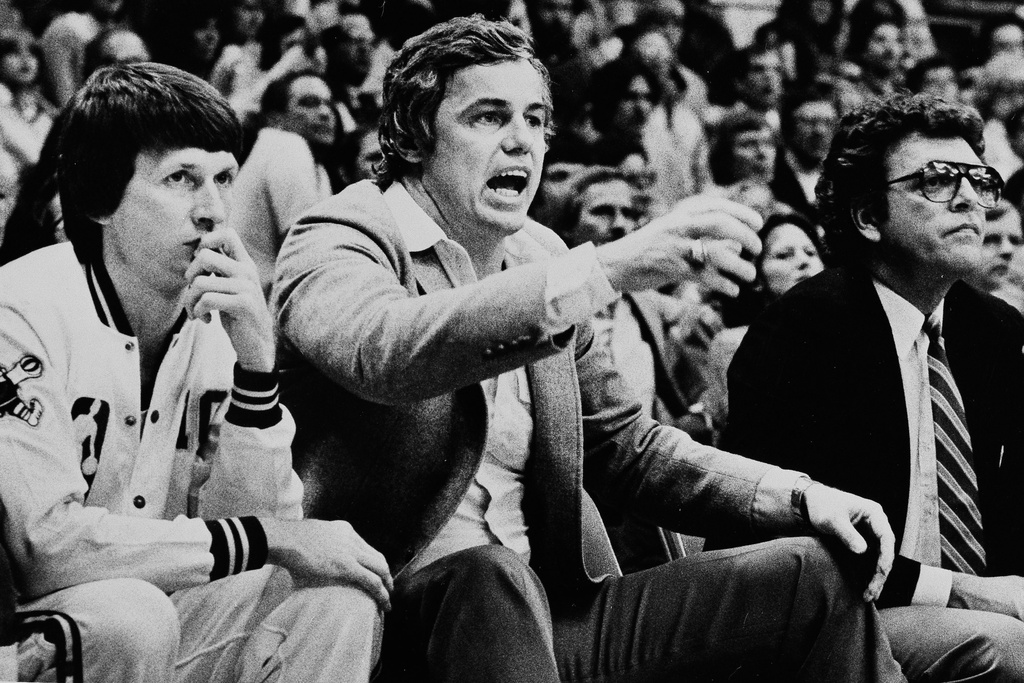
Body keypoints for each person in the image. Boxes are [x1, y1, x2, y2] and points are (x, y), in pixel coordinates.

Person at [273, 16, 906, 682]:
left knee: (813, 573)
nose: (521, 141)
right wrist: (604, 270)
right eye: (489, 117)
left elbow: (631, 451)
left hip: (558, 614)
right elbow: (382, 351)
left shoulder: (540, 254)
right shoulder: (342, 234)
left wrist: (799, 495)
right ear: (414, 133)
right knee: (489, 576)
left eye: (535, 119)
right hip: (397, 614)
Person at [0, 62, 387, 682]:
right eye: (181, 177)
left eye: (224, 178)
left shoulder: (218, 324)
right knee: (131, 614)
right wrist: (265, 538)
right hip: (24, 627)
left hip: (148, 612)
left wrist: (257, 372)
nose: (213, 210)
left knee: (334, 600)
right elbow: (46, 551)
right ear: (102, 197)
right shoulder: (18, 309)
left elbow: (252, 531)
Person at [723, 93, 1024, 679]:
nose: (969, 198)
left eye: (978, 180)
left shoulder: (997, 330)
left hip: (979, 605)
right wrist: (968, 592)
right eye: (937, 181)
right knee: (1005, 645)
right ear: (868, 217)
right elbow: (792, 538)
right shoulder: (803, 329)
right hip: (833, 612)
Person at [233, 70, 337, 295]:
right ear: (275, 119)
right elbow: (305, 253)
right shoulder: (284, 144)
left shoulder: (318, 167)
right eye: (309, 103)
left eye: (329, 103)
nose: (325, 113)